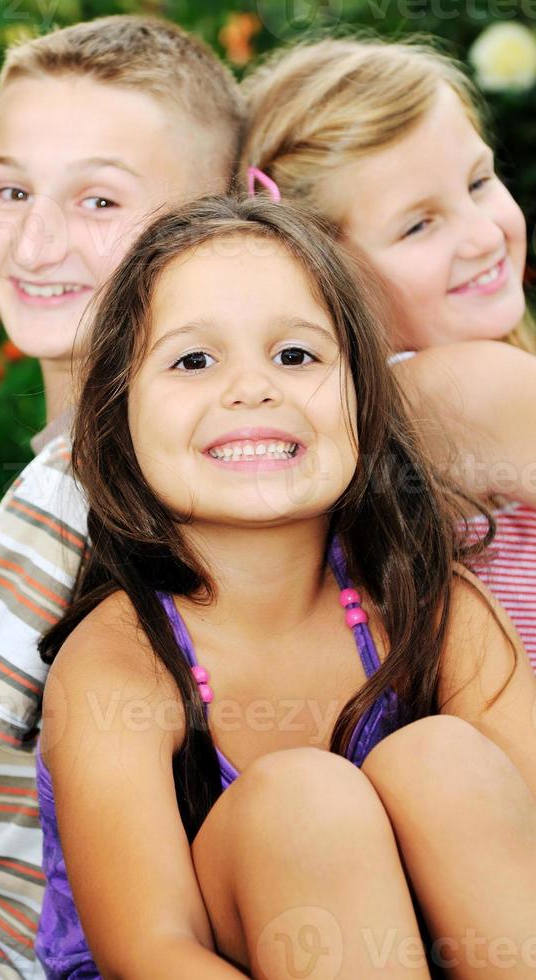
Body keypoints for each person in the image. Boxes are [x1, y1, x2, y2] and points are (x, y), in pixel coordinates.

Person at [36, 196, 536, 979]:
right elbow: (150, 954)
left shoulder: (436, 609)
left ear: (364, 399)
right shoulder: (117, 667)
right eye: (193, 360)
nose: (252, 389)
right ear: (116, 418)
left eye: (295, 356)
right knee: (303, 803)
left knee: (441, 759)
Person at [0, 17, 242, 978]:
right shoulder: (252, 450)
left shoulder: (80, 482)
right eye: (12, 188)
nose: (36, 240)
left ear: (231, 210)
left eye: (97, 198)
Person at [239, 36, 536, 667]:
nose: (484, 234)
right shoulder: (466, 388)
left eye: (479, 182)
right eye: (419, 224)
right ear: (323, 273)